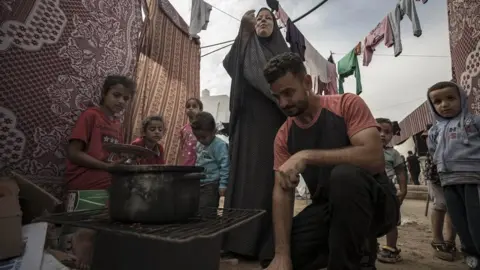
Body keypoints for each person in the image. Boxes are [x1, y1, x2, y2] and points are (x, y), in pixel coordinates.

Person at [258, 52, 398, 270]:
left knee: (345, 176)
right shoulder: (284, 135)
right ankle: (351, 250)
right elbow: (282, 190)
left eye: (288, 93)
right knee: (272, 256)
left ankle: (353, 258)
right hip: (327, 208)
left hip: (375, 203)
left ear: (306, 82)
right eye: (277, 97)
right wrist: (282, 255)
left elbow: (374, 158)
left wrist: (306, 155)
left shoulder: (346, 104)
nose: (283, 103)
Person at [222, 7, 288, 257]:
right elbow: (231, 64)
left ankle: (261, 245)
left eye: (268, 18)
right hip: (245, 123)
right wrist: (244, 33)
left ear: (275, 25)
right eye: (258, 18)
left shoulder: (282, 52)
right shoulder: (245, 44)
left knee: (264, 179)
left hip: (272, 125)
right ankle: (236, 242)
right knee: (242, 177)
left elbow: (279, 82)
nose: (262, 21)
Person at [64, 75, 136, 269]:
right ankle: (81, 238)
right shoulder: (91, 116)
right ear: (104, 94)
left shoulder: (117, 125)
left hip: (106, 183)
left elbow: (109, 158)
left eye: (126, 99)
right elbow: (73, 153)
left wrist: (121, 163)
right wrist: (106, 167)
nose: (121, 101)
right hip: (85, 183)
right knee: (84, 240)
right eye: (116, 95)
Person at [426, 81, 480, 269]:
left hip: (473, 180)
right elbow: (433, 152)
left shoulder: (473, 121)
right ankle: (470, 252)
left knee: (476, 220)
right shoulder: (434, 131)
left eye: (450, 98)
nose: (444, 104)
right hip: (448, 181)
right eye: (438, 101)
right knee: (459, 220)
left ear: (462, 98)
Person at [422, 124, 457, 261]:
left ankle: (450, 241)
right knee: (441, 204)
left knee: (453, 207)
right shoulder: (435, 129)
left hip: (456, 174)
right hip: (436, 175)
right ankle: (437, 240)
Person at [376, 118, 407, 264]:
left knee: (391, 220)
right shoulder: (363, 150)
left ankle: (391, 248)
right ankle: (370, 245)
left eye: (387, 132)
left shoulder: (393, 154)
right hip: (369, 189)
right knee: (366, 217)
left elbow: (401, 172)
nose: (382, 135)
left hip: (388, 191)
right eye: (378, 131)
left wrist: (403, 190)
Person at [191, 112, 230, 208]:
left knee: (207, 210)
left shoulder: (219, 146)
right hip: (200, 183)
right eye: (197, 137)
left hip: (212, 185)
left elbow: (225, 166)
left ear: (214, 131)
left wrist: (223, 185)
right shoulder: (200, 144)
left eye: (203, 137)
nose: (200, 140)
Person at [180, 98, 203, 166]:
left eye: (194, 106)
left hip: (201, 164)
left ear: (200, 110)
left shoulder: (204, 128)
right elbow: (182, 148)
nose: (190, 108)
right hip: (187, 164)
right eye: (188, 106)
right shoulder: (183, 129)